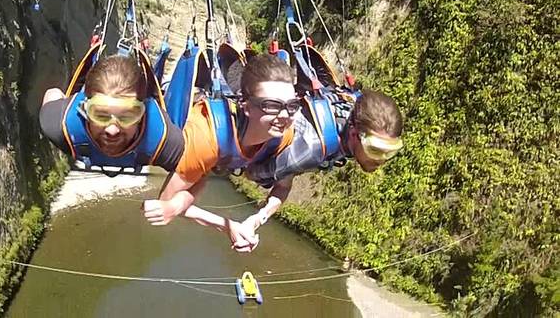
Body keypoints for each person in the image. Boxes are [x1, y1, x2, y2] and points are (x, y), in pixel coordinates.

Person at [143, 55, 404, 252]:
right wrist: (228, 226)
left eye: (291, 106)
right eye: (271, 105)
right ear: (246, 106)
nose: (284, 116)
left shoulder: (285, 135)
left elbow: (283, 183)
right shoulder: (210, 138)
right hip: (196, 140)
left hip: (221, 156)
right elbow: (168, 202)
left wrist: (255, 220)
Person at [39, 54, 185, 173]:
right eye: (101, 116)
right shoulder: (58, 125)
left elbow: (189, 173)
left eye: (126, 117)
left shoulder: (167, 143)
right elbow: (52, 93)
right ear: (85, 111)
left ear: (141, 117)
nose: (112, 130)